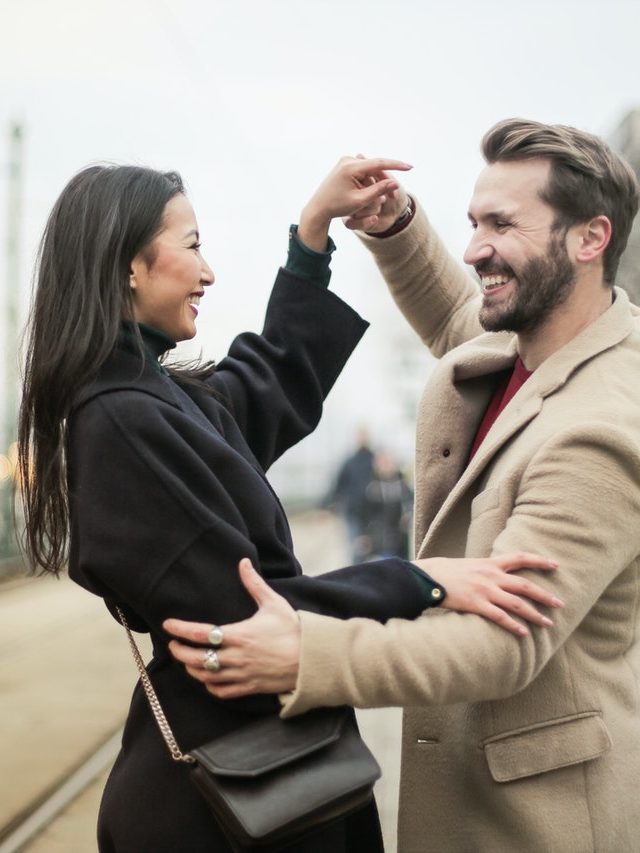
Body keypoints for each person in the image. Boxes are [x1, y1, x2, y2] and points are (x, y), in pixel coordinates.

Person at [17, 157, 561, 853]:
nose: (208, 272)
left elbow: (266, 380)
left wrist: (312, 237)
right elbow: (250, 617)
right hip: (231, 798)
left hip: (258, 771)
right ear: (128, 266)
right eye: (192, 246)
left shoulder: (152, 395)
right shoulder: (123, 418)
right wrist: (423, 578)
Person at [165, 120, 640, 852]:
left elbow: (502, 642)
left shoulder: (602, 429)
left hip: (538, 825)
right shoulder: (539, 341)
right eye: (474, 220)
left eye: (503, 224)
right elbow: (462, 315)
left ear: (590, 238)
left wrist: (307, 656)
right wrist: (394, 228)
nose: (476, 245)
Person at [323, 427, 374, 561]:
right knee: (357, 548)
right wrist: (324, 504)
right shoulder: (349, 462)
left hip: (373, 513)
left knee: (372, 548)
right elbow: (338, 485)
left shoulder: (375, 460)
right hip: (353, 511)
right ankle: (357, 575)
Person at [361, 449, 413, 560]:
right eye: (383, 463)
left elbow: (411, 505)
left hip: (400, 541)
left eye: (388, 462)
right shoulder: (372, 488)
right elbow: (365, 515)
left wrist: (408, 515)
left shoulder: (402, 486)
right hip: (379, 542)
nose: (386, 466)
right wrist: (365, 536)